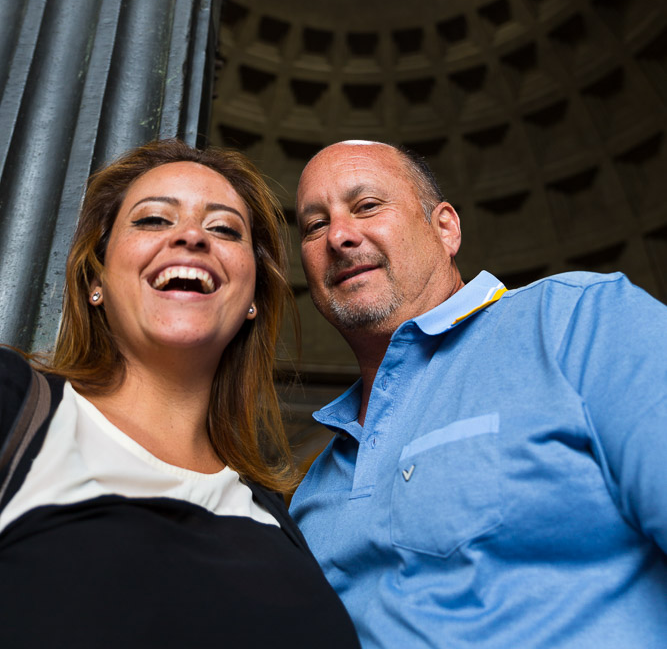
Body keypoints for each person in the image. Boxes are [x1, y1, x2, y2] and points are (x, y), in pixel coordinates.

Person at [290, 139, 667, 649]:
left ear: (445, 227)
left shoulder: (581, 321)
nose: (338, 235)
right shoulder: (311, 495)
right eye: (314, 226)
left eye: (367, 206)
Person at [0, 139, 359, 649]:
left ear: (253, 299)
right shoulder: (16, 409)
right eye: (152, 220)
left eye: (223, 229)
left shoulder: (277, 516)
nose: (192, 236)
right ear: (94, 279)